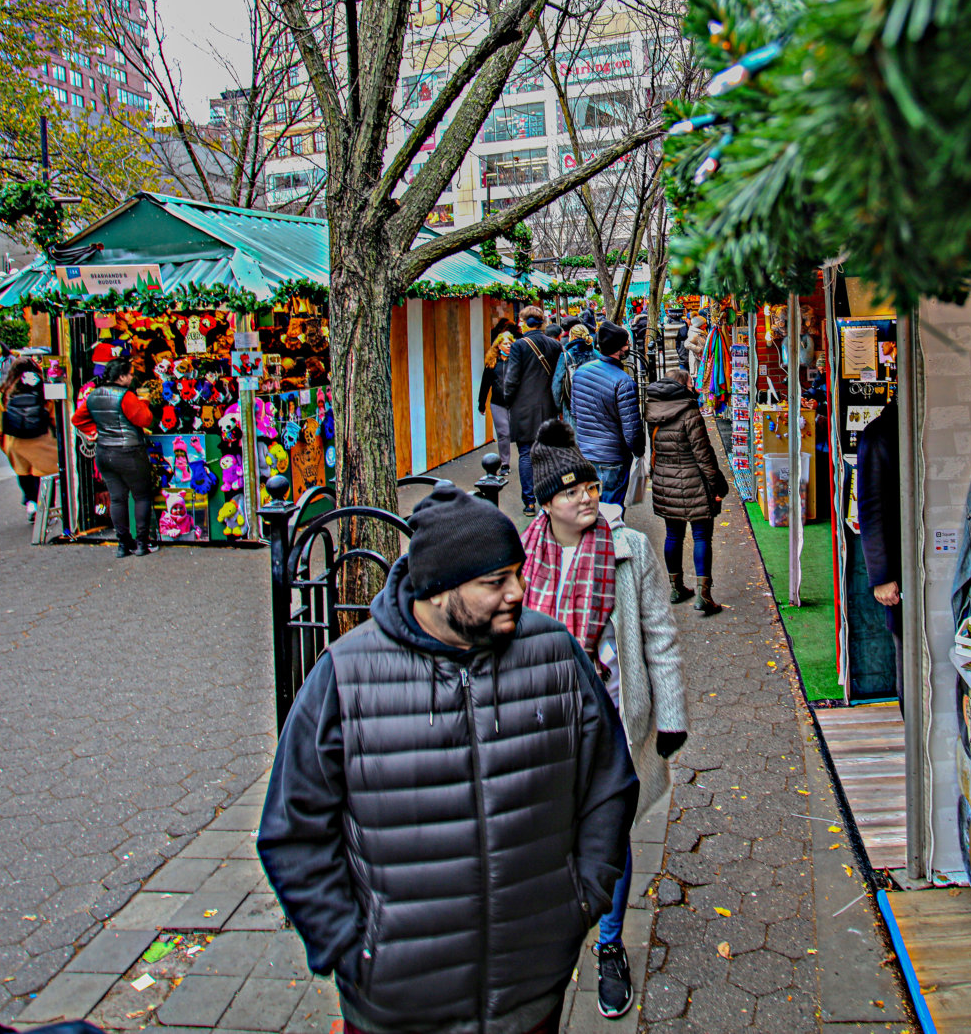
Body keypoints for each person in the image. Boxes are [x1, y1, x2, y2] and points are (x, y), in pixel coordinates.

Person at [259, 481, 638, 1034]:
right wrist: (349, 946)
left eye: (517, 573)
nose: (517, 591)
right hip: (395, 1006)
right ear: (438, 590)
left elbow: (609, 784)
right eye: (495, 582)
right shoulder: (346, 675)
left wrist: (579, 901)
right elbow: (292, 830)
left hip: (528, 996)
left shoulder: (554, 654)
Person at [517, 422, 685, 1019]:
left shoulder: (630, 548)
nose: (587, 497)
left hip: (614, 720)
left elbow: (660, 637)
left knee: (611, 835)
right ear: (545, 504)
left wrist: (671, 716)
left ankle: (609, 944)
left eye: (589, 485)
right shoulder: (520, 557)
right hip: (541, 727)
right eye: (571, 491)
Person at [644, 369, 728, 615]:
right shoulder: (690, 413)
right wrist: (718, 485)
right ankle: (704, 595)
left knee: (673, 535)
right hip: (694, 482)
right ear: (682, 386)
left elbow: (655, 449)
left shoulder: (653, 410)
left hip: (665, 480)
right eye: (691, 382)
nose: (694, 385)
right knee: (702, 536)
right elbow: (704, 455)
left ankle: (676, 587)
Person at [69, 363, 159, 556]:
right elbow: (144, 420)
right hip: (129, 452)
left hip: (104, 452)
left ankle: (123, 545)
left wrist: (93, 431)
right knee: (141, 496)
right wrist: (145, 402)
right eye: (130, 375)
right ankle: (142, 543)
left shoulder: (93, 395)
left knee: (117, 499)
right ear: (122, 376)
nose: (132, 378)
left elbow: (77, 419)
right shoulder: (126, 396)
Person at [497, 306, 564, 516]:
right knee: (547, 453)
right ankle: (549, 497)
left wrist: (507, 401)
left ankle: (529, 501)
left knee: (526, 453)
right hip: (549, 406)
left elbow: (512, 379)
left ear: (525, 322)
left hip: (524, 407)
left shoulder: (519, 346)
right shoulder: (555, 345)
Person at [570, 322, 643, 506]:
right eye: (626, 344)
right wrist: (639, 452)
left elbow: (575, 413)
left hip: (586, 452)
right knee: (611, 513)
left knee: (590, 509)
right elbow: (632, 430)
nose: (628, 348)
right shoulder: (623, 381)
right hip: (612, 458)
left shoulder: (581, 373)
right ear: (619, 349)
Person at [856, 398, 902, 669]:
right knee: (908, 652)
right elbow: (871, 508)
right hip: (901, 562)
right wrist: (881, 575)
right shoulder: (881, 433)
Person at [0, 358, 58, 524]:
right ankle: (45, 510)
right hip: (42, 439)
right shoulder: (46, 388)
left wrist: (4, 443)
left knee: (24, 473)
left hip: (15, 440)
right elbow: (57, 415)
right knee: (45, 478)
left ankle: (31, 503)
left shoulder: (4, 391)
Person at [478, 320, 517, 475]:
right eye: (505, 343)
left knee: (519, 433)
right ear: (499, 345)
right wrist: (481, 404)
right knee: (503, 433)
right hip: (498, 403)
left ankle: (526, 460)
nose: (508, 346)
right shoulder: (492, 363)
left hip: (516, 403)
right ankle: (505, 463)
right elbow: (485, 385)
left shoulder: (517, 361)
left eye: (510, 343)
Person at [552, 323, 599, 429]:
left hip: (572, 403)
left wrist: (558, 407)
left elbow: (557, 383)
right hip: (594, 403)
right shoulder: (597, 355)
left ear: (572, 337)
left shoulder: (566, 356)